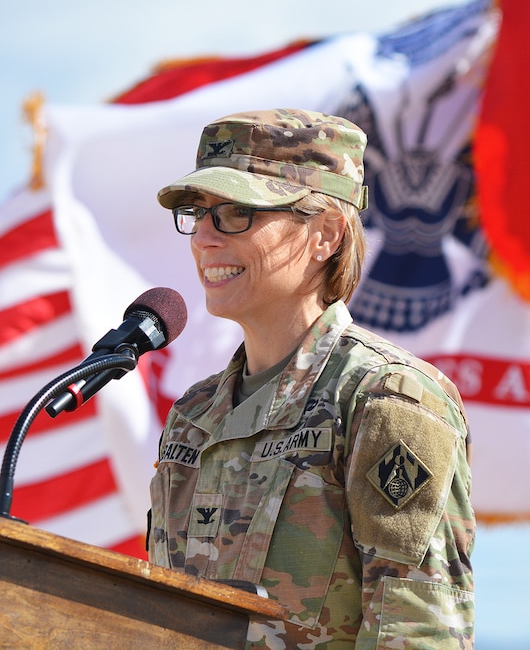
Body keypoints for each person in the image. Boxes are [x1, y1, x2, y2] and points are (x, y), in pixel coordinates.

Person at [149, 108, 475, 648]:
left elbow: (416, 630)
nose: (203, 237)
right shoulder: (194, 415)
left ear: (325, 233)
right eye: (196, 212)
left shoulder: (385, 399)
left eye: (235, 212)